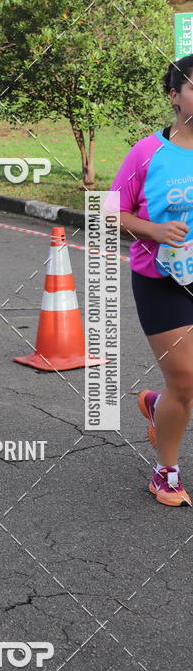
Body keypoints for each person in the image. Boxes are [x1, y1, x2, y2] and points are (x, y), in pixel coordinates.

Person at [111, 54, 193, 508]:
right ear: (174, 96)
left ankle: (159, 404)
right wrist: (153, 230)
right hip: (163, 280)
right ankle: (166, 469)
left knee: (183, 387)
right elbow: (110, 213)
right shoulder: (147, 153)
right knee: (186, 380)